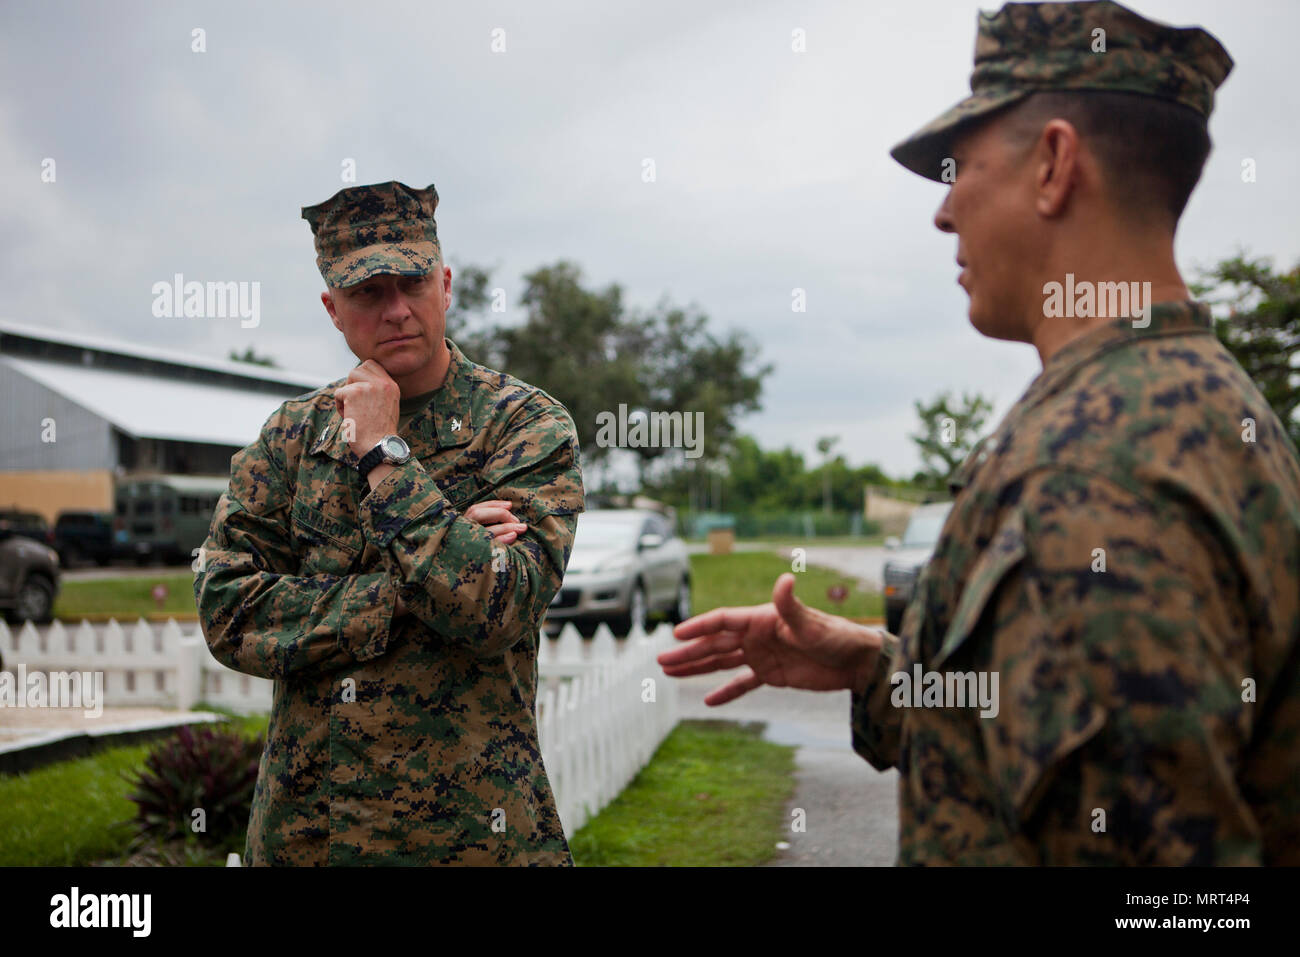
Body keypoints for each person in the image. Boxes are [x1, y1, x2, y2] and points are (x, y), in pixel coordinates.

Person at [660, 0, 1300, 865]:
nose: (943, 211)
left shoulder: (1093, 471)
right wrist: (877, 667)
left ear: (1053, 164)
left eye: (959, 167)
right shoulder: (1205, 404)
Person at [194, 180, 586, 865]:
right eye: (368, 292)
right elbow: (229, 612)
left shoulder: (523, 424)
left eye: (412, 282)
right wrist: (410, 584)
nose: (397, 309)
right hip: (313, 834)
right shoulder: (292, 437)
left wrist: (383, 457)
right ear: (332, 309)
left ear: (447, 285)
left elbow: (499, 606)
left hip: (477, 832)